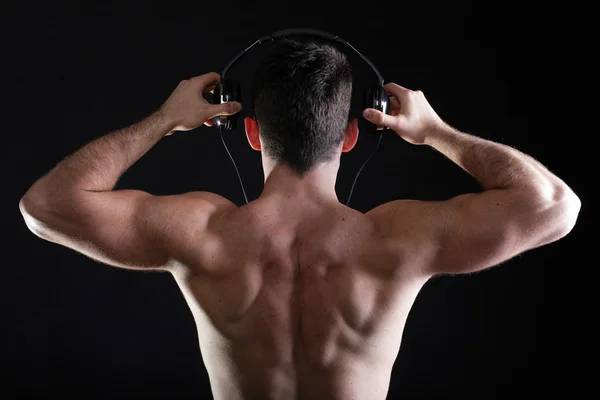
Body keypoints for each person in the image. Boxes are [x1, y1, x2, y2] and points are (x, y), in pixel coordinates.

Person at [19, 40, 580, 400]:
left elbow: (46, 207)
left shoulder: (203, 235)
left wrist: (165, 120)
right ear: (353, 135)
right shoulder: (393, 239)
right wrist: (437, 132)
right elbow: (555, 206)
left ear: (252, 131)